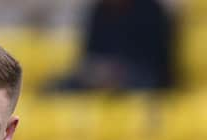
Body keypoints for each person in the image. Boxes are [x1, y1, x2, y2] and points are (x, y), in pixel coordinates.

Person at [45, 0, 176, 91]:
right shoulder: (98, 11)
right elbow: (90, 56)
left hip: (143, 80)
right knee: (58, 86)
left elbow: (159, 65)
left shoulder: (152, 11)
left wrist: (121, 73)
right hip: (103, 78)